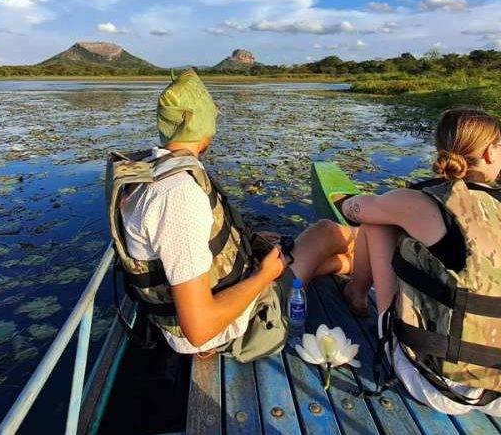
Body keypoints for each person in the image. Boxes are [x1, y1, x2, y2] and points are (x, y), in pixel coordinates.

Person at [107, 69, 355, 361]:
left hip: (212, 299)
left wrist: (243, 241)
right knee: (329, 231)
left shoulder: (154, 170)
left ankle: (347, 271)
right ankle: (360, 295)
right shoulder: (178, 194)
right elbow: (199, 329)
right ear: (206, 126)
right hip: (233, 330)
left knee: (335, 256)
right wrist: (265, 276)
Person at [338, 107, 501, 417]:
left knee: (377, 223)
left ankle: (357, 293)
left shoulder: (422, 201)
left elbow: (357, 209)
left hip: (441, 389)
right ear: (488, 152)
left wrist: (353, 203)